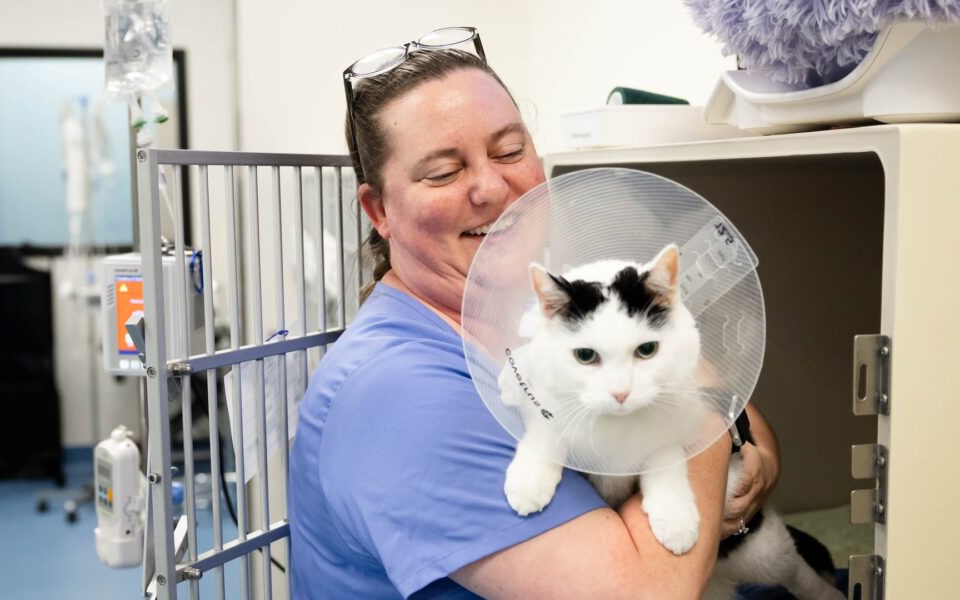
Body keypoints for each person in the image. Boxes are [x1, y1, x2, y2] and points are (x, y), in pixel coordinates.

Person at [288, 28, 781, 599]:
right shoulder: (402, 394)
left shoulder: (528, 310)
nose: (491, 188)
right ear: (379, 211)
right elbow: (648, 591)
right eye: (444, 172)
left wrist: (745, 453)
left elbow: (740, 414)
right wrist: (712, 435)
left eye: (509, 151)